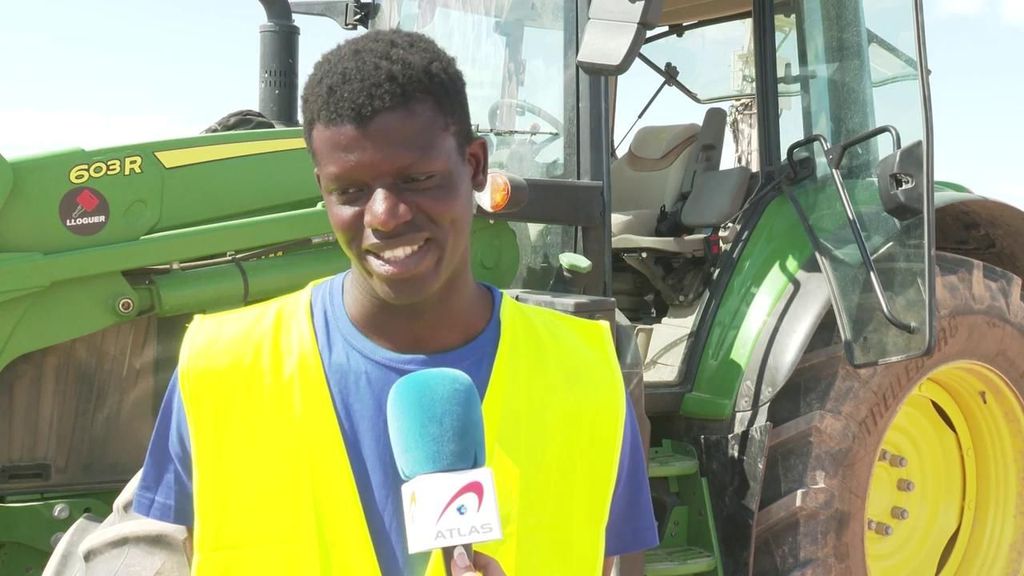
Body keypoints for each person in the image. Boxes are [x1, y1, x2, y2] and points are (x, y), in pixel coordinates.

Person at [132, 29, 658, 575]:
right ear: (322, 189)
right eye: (350, 192)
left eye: (417, 179)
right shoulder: (220, 370)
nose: (385, 216)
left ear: (475, 166)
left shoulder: (587, 377)